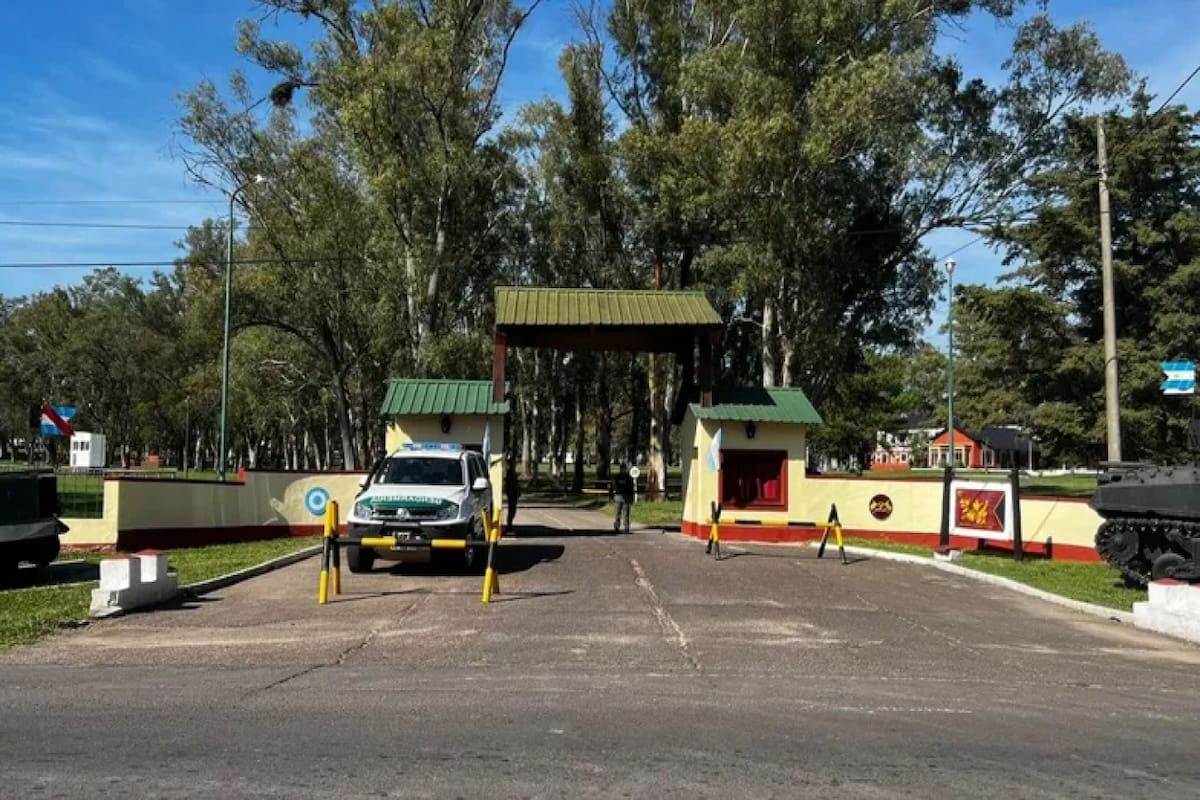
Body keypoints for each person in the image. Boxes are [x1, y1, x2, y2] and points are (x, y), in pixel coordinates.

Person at [609, 462, 635, 533]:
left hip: (626, 497)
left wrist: (631, 497)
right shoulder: (617, 477)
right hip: (618, 496)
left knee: (626, 513)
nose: (623, 470)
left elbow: (631, 488)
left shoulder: (629, 477)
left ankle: (626, 527)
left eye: (624, 469)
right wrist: (611, 496)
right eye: (622, 469)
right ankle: (617, 526)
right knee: (617, 513)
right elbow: (613, 486)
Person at [505, 462, 520, 530]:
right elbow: (510, 485)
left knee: (513, 510)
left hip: (514, 493)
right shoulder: (510, 473)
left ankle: (510, 523)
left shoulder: (513, 473)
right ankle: (509, 524)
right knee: (512, 509)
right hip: (512, 493)